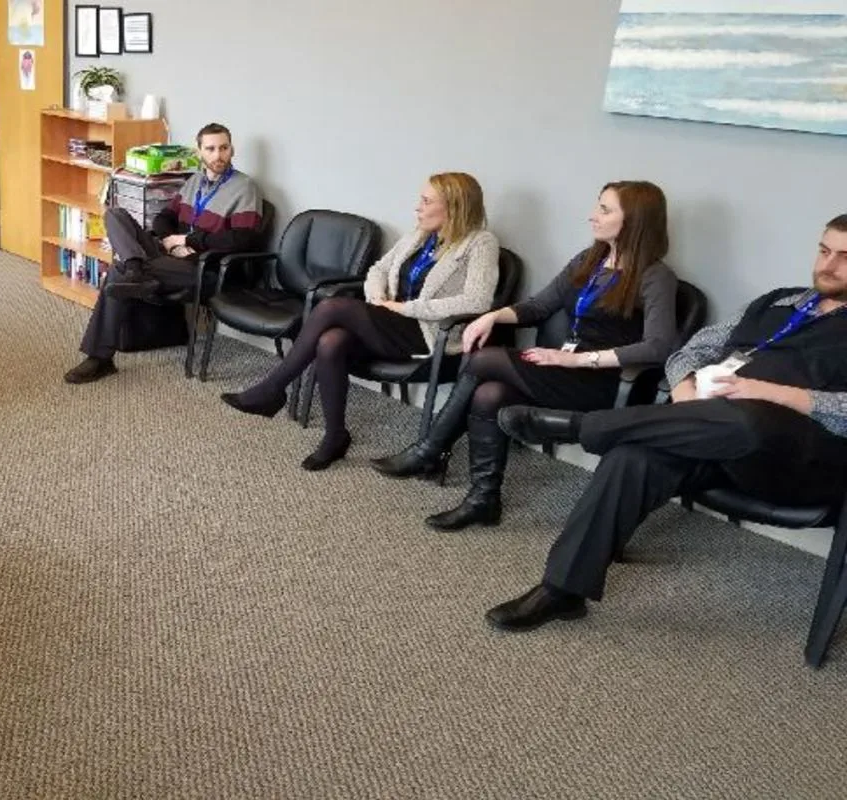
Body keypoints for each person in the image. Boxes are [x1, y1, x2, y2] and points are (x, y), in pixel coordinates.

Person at [486, 214, 847, 631]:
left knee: (749, 420)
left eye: (844, 257)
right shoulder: (777, 302)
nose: (828, 265)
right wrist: (685, 389)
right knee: (633, 457)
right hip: (711, 431)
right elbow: (690, 351)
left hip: (795, 459)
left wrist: (771, 393)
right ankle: (562, 589)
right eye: (824, 251)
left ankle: (583, 426)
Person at [373, 181, 679, 531]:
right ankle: (483, 499)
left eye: (605, 210)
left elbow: (659, 346)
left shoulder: (656, 277)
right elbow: (539, 306)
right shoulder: (589, 261)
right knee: (490, 395)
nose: (592, 215)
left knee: (484, 360)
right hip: (562, 369)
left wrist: (578, 360)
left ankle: (430, 449)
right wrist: (492, 317)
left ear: (635, 220)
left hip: (605, 380)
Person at [220, 172, 499, 470]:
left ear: (454, 206)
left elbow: (477, 301)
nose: (418, 207)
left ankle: (272, 388)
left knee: (331, 307)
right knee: (331, 342)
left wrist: (405, 308)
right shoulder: (420, 235)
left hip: (429, 334)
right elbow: (378, 269)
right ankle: (335, 436)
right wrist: (378, 298)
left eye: (427, 201)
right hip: (391, 323)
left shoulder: (480, 243)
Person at [64, 122, 266, 384]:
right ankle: (135, 268)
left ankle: (100, 357)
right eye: (211, 149)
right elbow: (163, 218)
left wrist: (189, 240)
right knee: (115, 214)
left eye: (224, 148)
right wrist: (172, 243)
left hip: (205, 267)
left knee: (118, 270)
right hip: (172, 256)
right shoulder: (194, 182)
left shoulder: (245, 187)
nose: (218, 155)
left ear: (232, 149)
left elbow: (242, 239)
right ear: (199, 152)